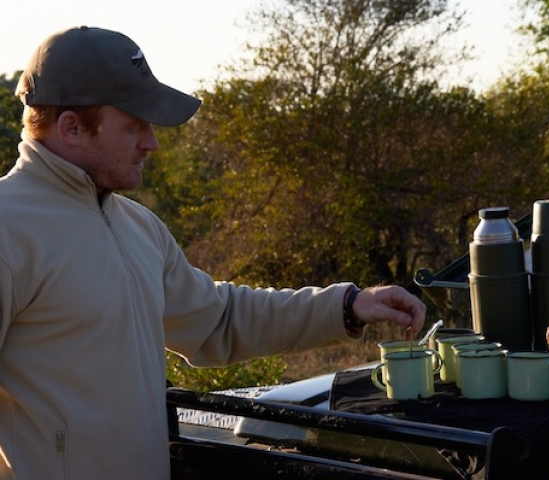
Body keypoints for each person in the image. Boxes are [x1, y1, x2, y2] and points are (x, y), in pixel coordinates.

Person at [0, 26, 426, 479]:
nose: (152, 142)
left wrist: (345, 305)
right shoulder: (9, 227)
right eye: (134, 125)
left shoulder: (138, 225)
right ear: (71, 128)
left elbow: (216, 321)